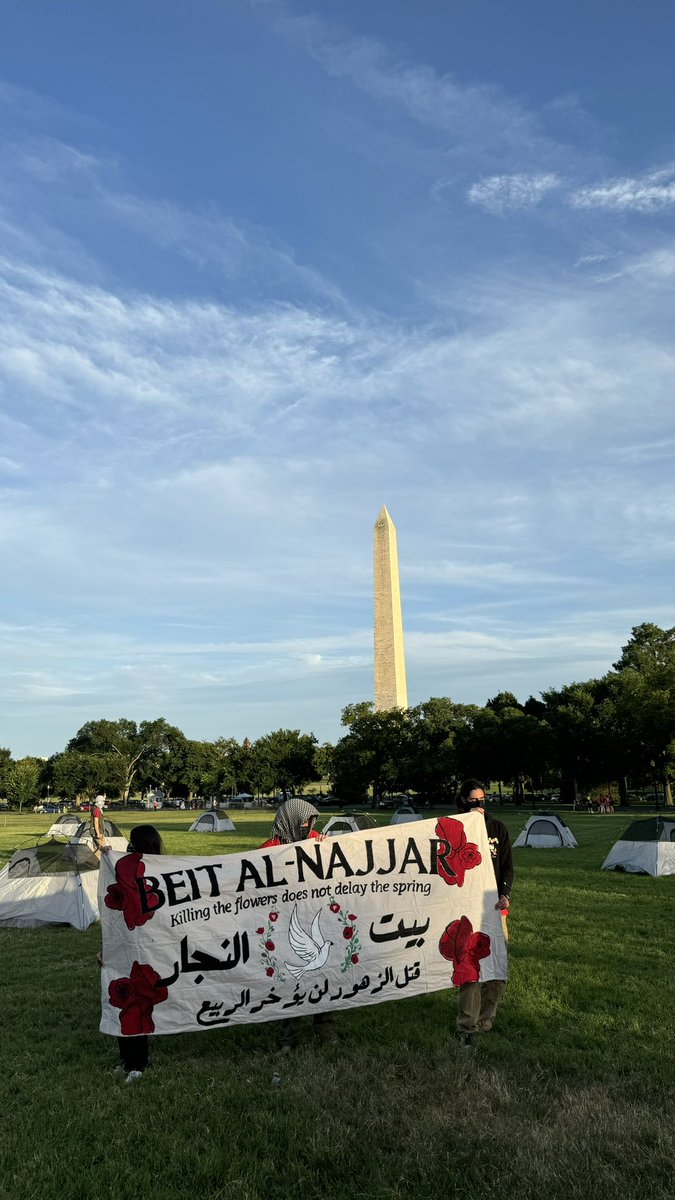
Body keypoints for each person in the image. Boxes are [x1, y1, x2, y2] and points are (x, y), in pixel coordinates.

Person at [259, 798, 336, 1050]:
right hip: (285, 925)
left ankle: (325, 1029)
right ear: (290, 821)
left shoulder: (316, 840)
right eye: (303, 821)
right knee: (292, 981)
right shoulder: (270, 848)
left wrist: (325, 849)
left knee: (325, 975)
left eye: (310, 821)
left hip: (317, 920)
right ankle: (289, 1037)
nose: (307, 825)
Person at [100, 824, 164, 1082]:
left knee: (139, 1005)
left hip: (149, 950)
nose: (128, 849)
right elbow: (115, 918)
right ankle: (126, 1059)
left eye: (132, 845)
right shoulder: (126, 873)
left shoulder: (158, 874)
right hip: (124, 950)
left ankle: (139, 1063)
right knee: (121, 1002)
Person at [454, 779, 514, 1048]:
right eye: (473, 800)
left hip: (493, 906)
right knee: (470, 968)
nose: (479, 805)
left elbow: (507, 866)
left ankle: (486, 1020)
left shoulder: (497, 828)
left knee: (497, 969)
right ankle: (468, 1023)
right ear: (465, 801)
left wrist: (505, 894)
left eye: (483, 800)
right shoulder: (454, 828)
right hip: (465, 907)